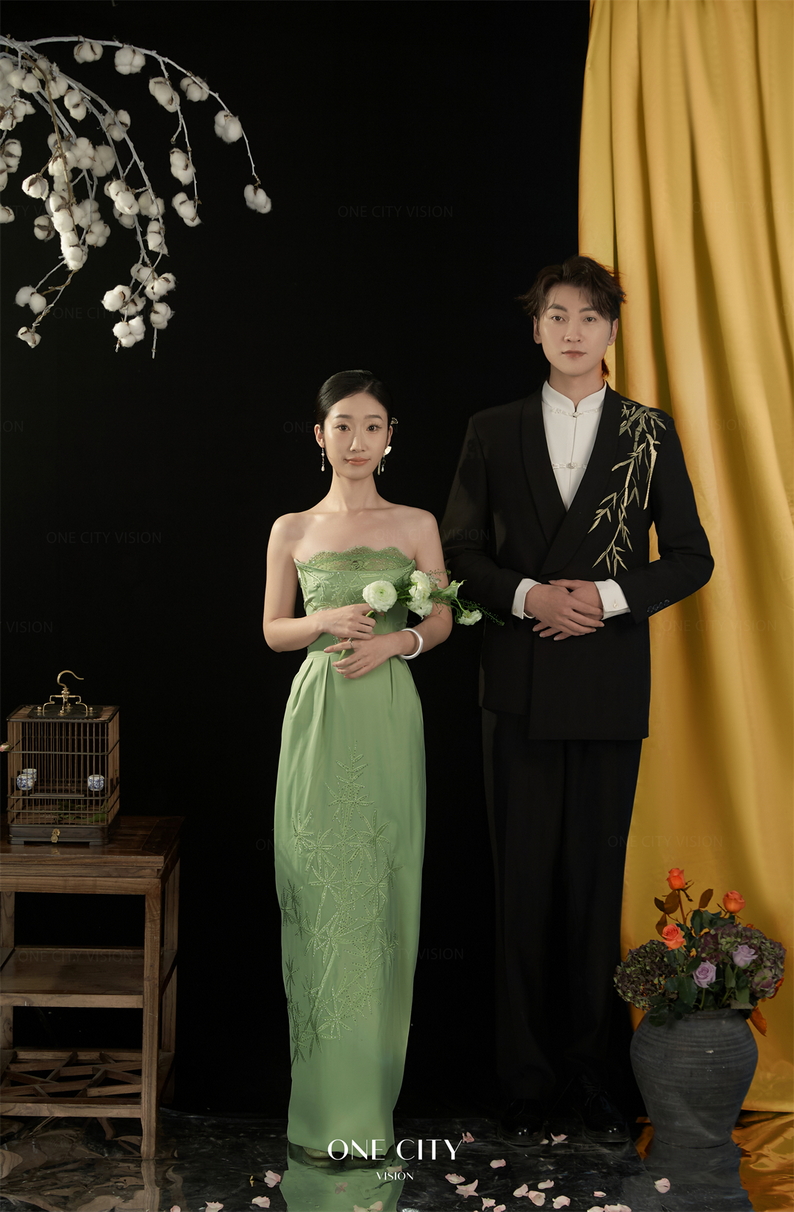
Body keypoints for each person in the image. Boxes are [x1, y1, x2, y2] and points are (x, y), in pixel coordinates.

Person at [441, 256, 713, 1145]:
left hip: (605, 687)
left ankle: (595, 1079)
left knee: (595, 893)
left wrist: (607, 597)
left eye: (589, 317)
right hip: (518, 689)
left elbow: (692, 556)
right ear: (536, 328)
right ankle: (523, 1082)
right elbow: (459, 552)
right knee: (519, 890)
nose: (571, 331)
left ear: (612, 330)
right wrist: (530, 597)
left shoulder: (648, 430)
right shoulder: (492, 428)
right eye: (556, 316)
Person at [263, 370, 452, 1165]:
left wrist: (396, 641)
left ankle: (368, 1115)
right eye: (342, 424)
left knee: (382, 893)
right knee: (316, 896)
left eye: (372, 425)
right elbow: (272, 630)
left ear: (390, 437)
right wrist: (325, 621)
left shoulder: (415, 524)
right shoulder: (291, 528)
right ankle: (318, 1114)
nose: (356, 440)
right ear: (320, 435)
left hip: (386, 711)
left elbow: (442, 618)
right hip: (318, 715)